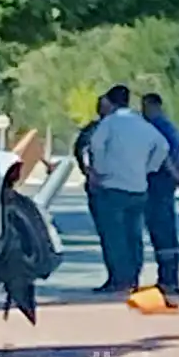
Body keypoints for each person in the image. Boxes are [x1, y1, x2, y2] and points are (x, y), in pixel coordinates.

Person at [87, 84, 168, 294]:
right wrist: (149, 168)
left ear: (110, 102)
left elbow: (95, 144)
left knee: (114, 236)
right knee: (133, 235)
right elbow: (163, 146)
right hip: (138, 187)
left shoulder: (111, 123)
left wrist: (100, 169)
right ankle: (132, 277)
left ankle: (119, 279)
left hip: (112, 186)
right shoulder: (141, 123)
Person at [140, 93, 179, 302]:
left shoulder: (155, 127)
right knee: (167, 229)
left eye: (144, 107)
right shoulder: (172, 127)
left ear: (152, 106)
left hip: (158, 181)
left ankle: (168, 280)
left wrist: (173, 172)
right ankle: (170, 277)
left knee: (161, 230)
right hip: (168, 182)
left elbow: (163, 153)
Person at [74, 94, 116, 291]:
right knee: (114, 234)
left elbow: (81, 150)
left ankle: (121, 277)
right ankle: (120, 276)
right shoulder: (94, 130)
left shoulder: (98, 130)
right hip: (104, 186)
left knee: (115, 234)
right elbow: (80, 151)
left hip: (105, 185)